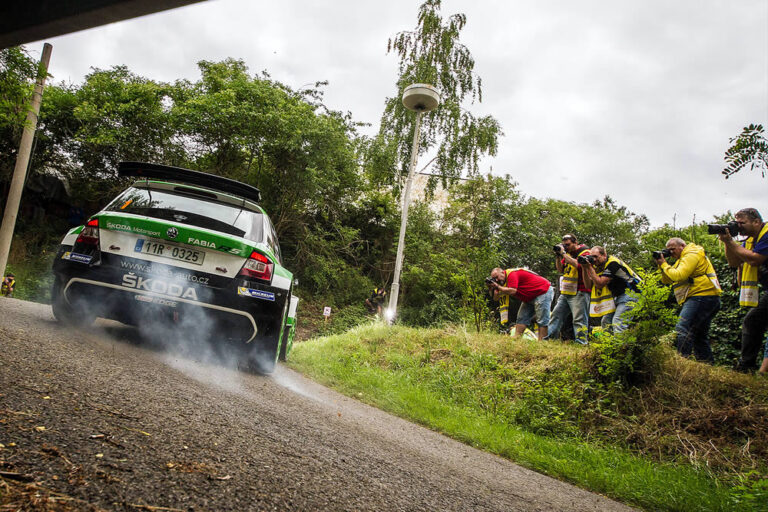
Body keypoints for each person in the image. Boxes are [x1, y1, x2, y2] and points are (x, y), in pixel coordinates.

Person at [717, 207, 768, 373]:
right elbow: (734, 262)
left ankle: (747, 366)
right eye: (736, 222)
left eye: (741, 223)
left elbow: (754, 260)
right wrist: (727, 241)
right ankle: (747, 367)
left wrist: (732, 242)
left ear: (756, 222)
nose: (738, 227)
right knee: (753, 321)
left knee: (753, 320)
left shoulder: (766, 234)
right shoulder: (752, 240)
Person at [655, 238, 721, 363]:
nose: (671, 252)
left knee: (682, 327)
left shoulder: (692, 254)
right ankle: (706, 366)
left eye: (673, 249)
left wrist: (664, 264)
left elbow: (678, 275)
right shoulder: (682, 259)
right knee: (699, 336)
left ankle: (681, 362)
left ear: (682, 246)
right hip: (704, 297)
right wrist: (661, 265)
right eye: (668, 250)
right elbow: (666, 280)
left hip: (701, 295)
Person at [582, 246, 641, 334]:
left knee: (618, 322)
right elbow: (588, 285)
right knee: (606, 322)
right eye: (592, 257)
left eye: (596, 257)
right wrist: (585, 268)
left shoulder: (613, 263)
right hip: (619, 295)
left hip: (632, 293)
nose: (594, 260)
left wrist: (590, 268)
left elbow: (600, 284)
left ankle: (620, 346)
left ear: (604, 255)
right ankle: (610, 345)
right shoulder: (599, 266)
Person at [547, 234, 592, 344]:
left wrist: (563, 253)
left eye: (568, 245)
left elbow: (579, 265)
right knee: (556, 315)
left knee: (579, 319)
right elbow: (560, 269)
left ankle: (581, 342)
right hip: (566, 291)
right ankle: (550, 339)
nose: (566, 247)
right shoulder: (568, 255)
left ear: (575, 242)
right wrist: (558, 256)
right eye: (564, 245)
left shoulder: (585, 252)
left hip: (580, 291)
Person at [487, 267, 553, 340]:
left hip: (542, 290)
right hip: (529, 297)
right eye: (494, 279)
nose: (496, 280)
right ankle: (516, 338)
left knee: (542, 319)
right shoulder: (501, 283)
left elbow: (513, 291)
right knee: (522, 317)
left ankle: (542, 342)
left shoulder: (511, 274)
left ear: (502, 272)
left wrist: (498, 287)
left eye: (497, 277)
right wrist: (491, 289)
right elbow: (496, 298)